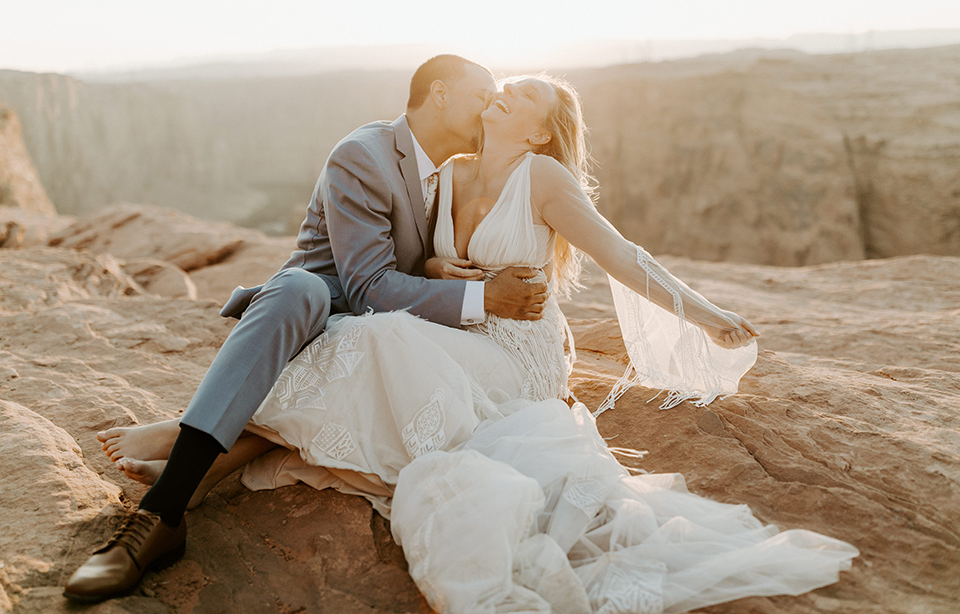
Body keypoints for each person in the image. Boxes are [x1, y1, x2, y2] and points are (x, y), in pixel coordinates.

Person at [91, 74, 857, 612]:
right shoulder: (452, 173)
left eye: (525, 94)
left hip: (518, 350)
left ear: (539, 129)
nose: (506, 93)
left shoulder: (547, 178)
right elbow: (414, 258)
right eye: (507, 84)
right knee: (365, 340)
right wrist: (433, 263)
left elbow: (624, 256)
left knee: (376, 340)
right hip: (455, 326)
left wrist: (704, 313)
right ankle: (195, 459)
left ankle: (192, 454)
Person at [62, 55, 550, 602]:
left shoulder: (456, 172)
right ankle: (160, 517)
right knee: (302, 289)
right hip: (313, 316)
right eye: (482, 93)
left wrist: (439, 267)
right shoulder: (363, 155)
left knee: (386, 353)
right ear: (439, 94)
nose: (491, 105)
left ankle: (189, 451)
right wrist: (485, 296)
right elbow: (368, 288)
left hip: (385, 335)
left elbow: (418, 261)